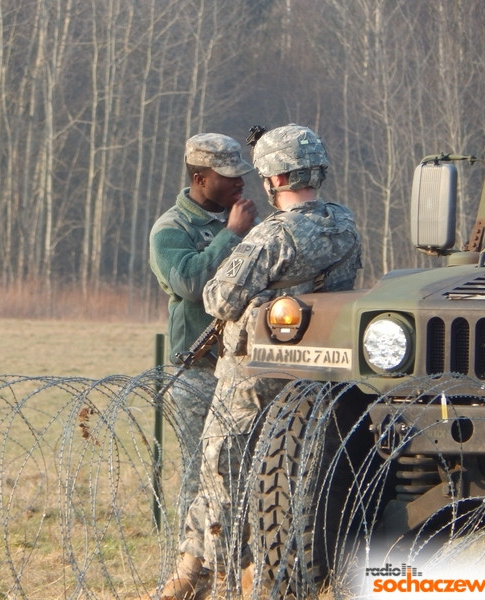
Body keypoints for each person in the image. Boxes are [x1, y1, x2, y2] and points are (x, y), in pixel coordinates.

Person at [154, 124, 362, 599]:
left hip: (253, 374)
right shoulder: (344, 223)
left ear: (274, 179)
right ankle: (190, 572)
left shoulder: (273, 235)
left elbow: (219, 298)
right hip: (315, 370)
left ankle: (224, 576)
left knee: (221, 471)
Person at [148, 133, 258, 525]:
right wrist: (232, 235)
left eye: (241, 172)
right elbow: (191, 285)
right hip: (198, 370)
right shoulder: (171, 229)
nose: (240, 181)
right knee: (201, 472)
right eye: (228, 175)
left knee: (246, 472)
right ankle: (189, 567)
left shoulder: (249, 221)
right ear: (200, 178)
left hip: (244, 368)